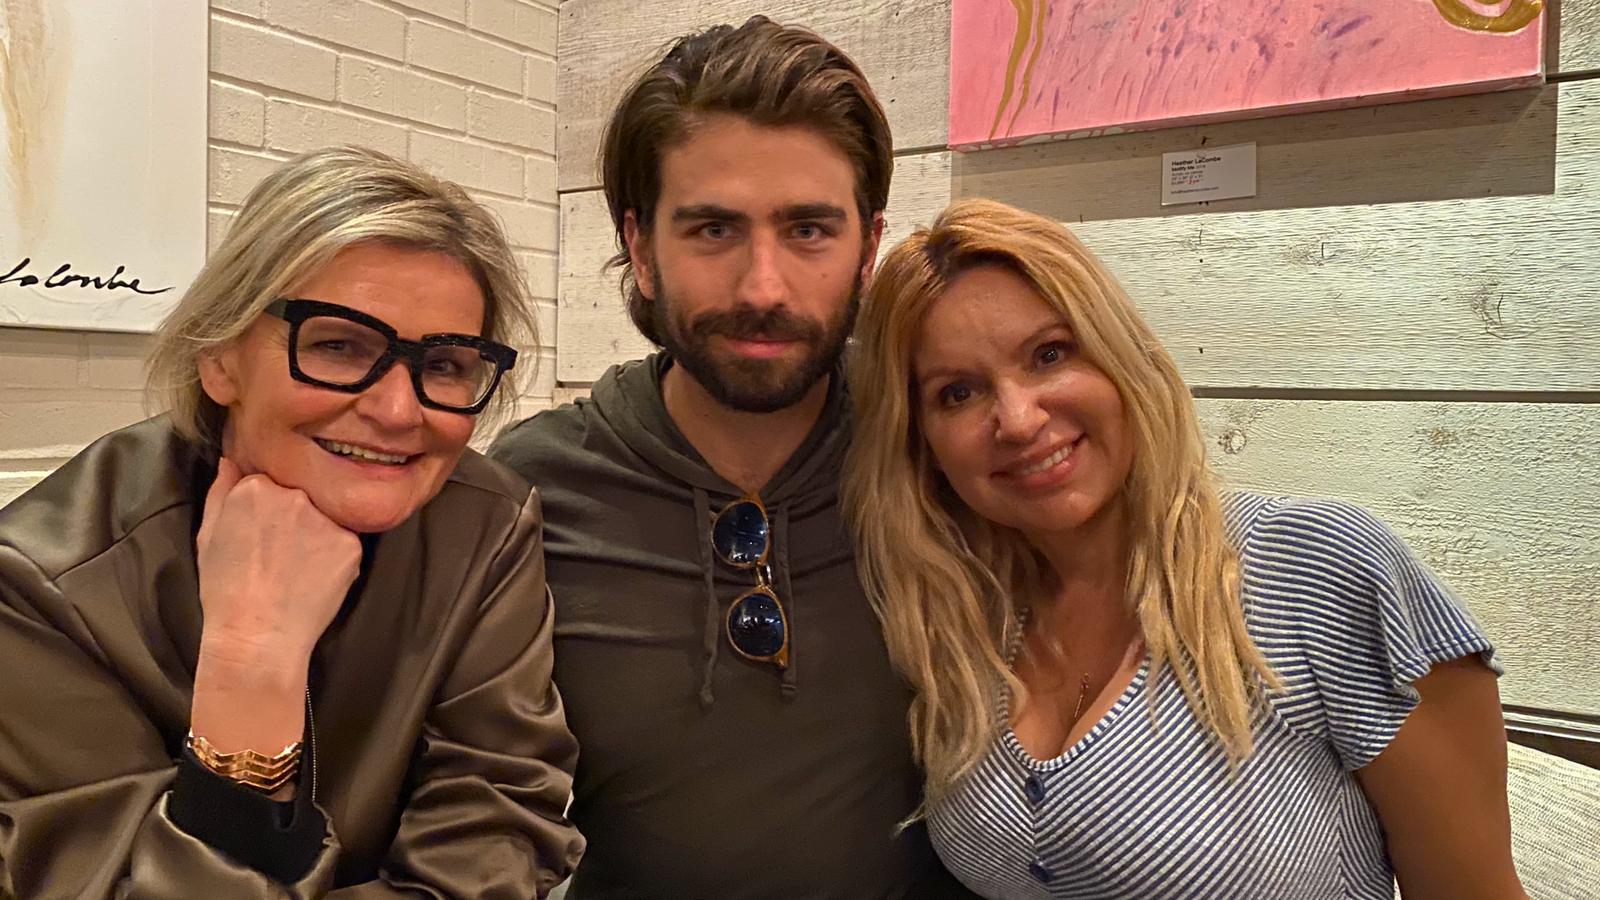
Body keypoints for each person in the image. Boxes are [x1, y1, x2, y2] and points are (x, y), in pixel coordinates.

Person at [843, 198, 1526, 899]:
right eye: (957, 392)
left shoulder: (1317, 570)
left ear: (1119, 356)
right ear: (921, 442)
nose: (1017, 420)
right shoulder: (964, 625)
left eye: (1049, 354)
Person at [0, 146, 583, 897]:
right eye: (338, 345)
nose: (397, 410)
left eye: (443, 365)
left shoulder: (487, 525)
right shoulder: (39, 587)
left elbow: (500, 815)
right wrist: (253, 663)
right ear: (220, 357)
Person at [489, 16, 972, 900]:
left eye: (809, 230)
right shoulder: (532, 489)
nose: (763, 287)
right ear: (641, 249)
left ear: (868, 248)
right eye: (713, 229)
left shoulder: (936, 448)